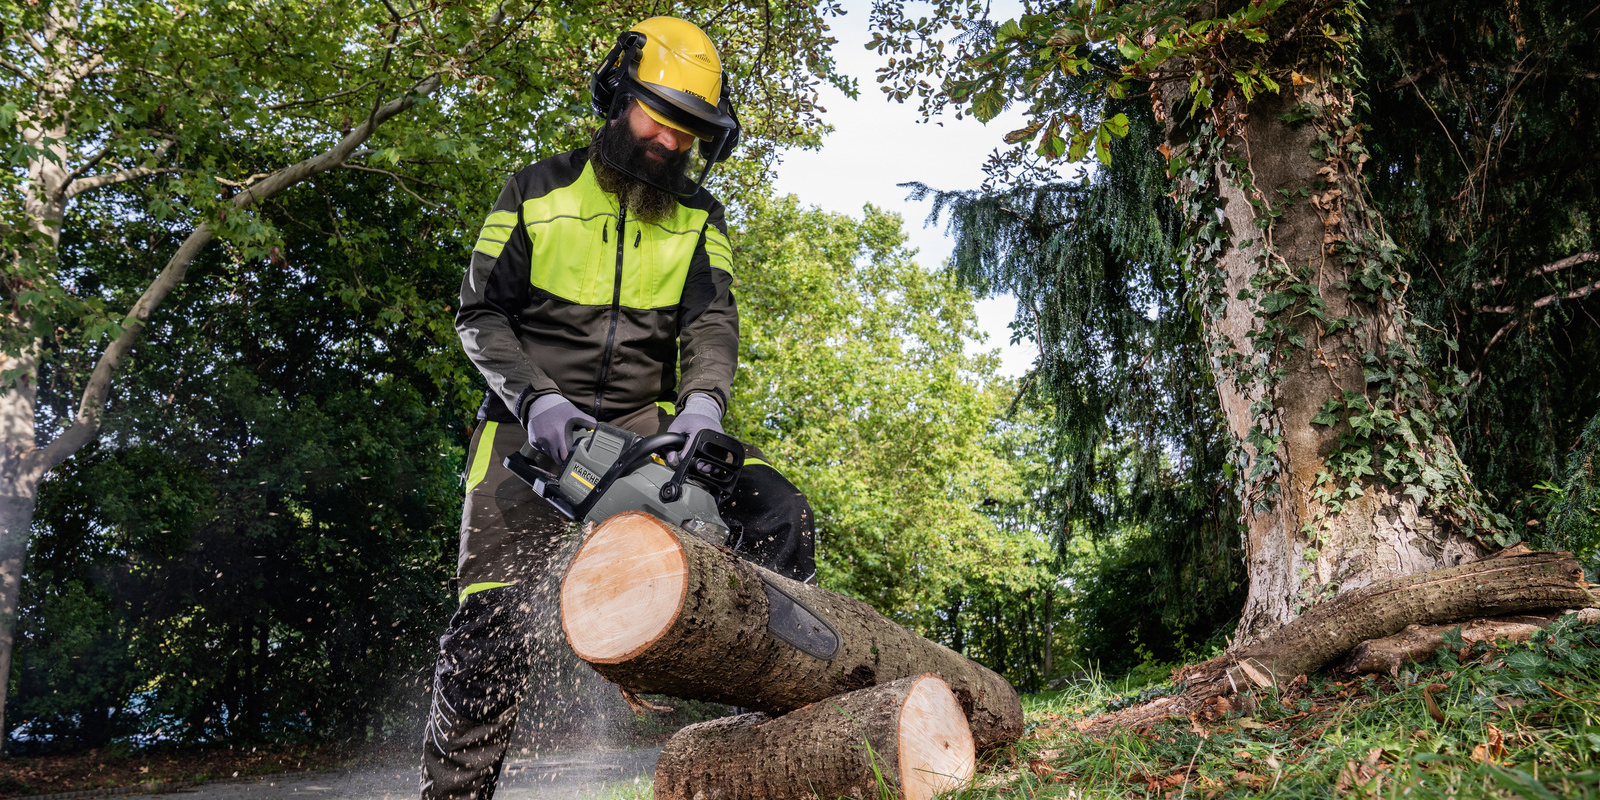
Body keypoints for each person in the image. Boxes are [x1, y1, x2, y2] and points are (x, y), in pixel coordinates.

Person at [421, 17, 817, 800]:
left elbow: (711, 322)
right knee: (489, 625)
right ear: (616, 95)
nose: (668, 143)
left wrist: (701, 405)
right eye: (655, 120)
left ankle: (783, 750)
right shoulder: (536, 187)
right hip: (524, 425)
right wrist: (537, 401)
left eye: (688, 132)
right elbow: (479, 315)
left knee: (779, 514)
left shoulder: (700, 217)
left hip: (646, 423)